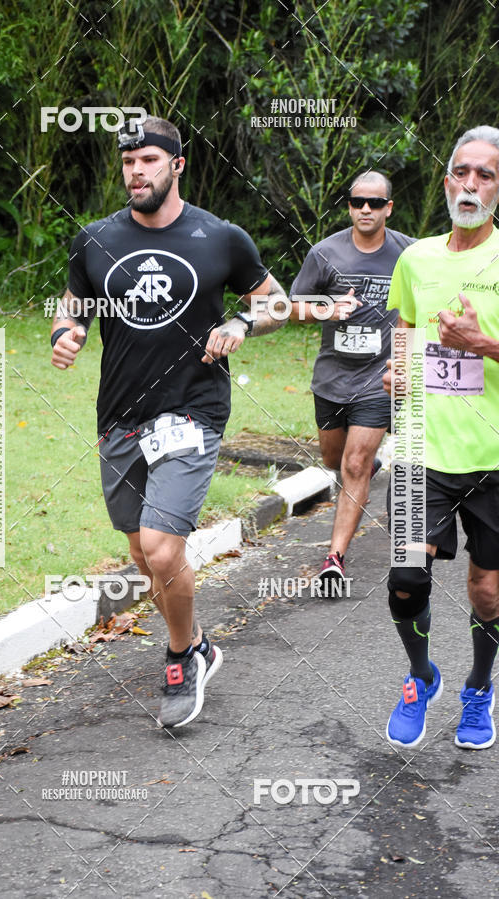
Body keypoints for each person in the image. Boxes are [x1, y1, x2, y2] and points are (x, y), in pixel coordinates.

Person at [50, 115, 288, 728]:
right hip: (119, 417)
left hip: (192, 410)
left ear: (176, 166)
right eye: (128, 162)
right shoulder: (95, 239)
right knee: (140, 550)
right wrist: (66, 331)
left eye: (149, 161)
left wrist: (239, 324)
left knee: (161, 548)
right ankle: (201, 641)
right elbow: (74, 300)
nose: (136, 172)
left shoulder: (220, 237)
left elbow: (277, 301)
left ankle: (181, 654)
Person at [383, 125, 499, 750]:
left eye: (485, 174)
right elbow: (404, 326)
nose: (471, 184)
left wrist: (479, 344)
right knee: (405, 582)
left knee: (487, 591)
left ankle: (479, 689)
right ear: (446, 178)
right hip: (419, 450)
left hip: (494, 458)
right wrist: (398, 366)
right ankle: (422, 674)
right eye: (463, 171)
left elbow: (471, 344)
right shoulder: (416, 258)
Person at [289, 172, 414, 589]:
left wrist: (408, 362)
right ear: (348, 205)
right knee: (335, 461)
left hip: (377, 380)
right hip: (331, 379)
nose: (365, 209)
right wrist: (326, 308)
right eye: (358, 201)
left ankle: (334, 558)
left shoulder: (408, 254)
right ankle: (365, 469)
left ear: (388, 208)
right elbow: (290, 308)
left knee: (355, 465)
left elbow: (425, 306)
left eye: (375, 203)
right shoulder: (325, 254)